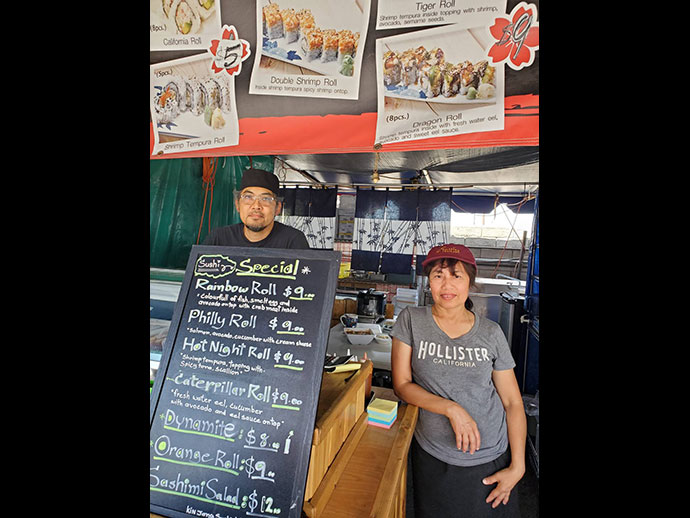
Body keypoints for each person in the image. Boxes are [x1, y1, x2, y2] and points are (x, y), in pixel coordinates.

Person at [391, 243, 526, 518]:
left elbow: (512, 402)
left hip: (491, 457)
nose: (447, 285)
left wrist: (518, 466)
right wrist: (452, 409)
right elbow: (402, 385)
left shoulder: (491, 333)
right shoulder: (411, 320)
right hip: (434, 455)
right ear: (429, 281)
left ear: (470, 282)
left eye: (456, 276)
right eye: (438, 275)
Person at [203, 168, 310, 249]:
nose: (256, 206)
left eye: (266, 199)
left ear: (278, 208)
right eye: (248, 197)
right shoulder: (219, 239)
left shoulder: (292, 241)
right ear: (237, 205)